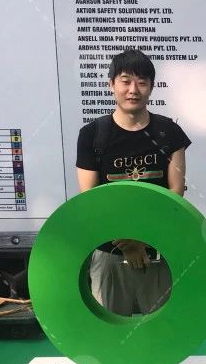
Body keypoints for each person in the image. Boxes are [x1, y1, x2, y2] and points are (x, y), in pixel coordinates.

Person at [75, 49, 190, 315]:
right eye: (125, 81)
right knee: (109, 330)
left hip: (157, 251)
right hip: (109, 252)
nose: (133, 90)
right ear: (111, 84)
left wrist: (143, 242)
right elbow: (90, 199)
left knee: (161, 328)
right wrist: (127, 243)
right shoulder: (92, 135)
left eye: (141, 82)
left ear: (151, 87)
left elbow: (175, 194)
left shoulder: (169, 132)